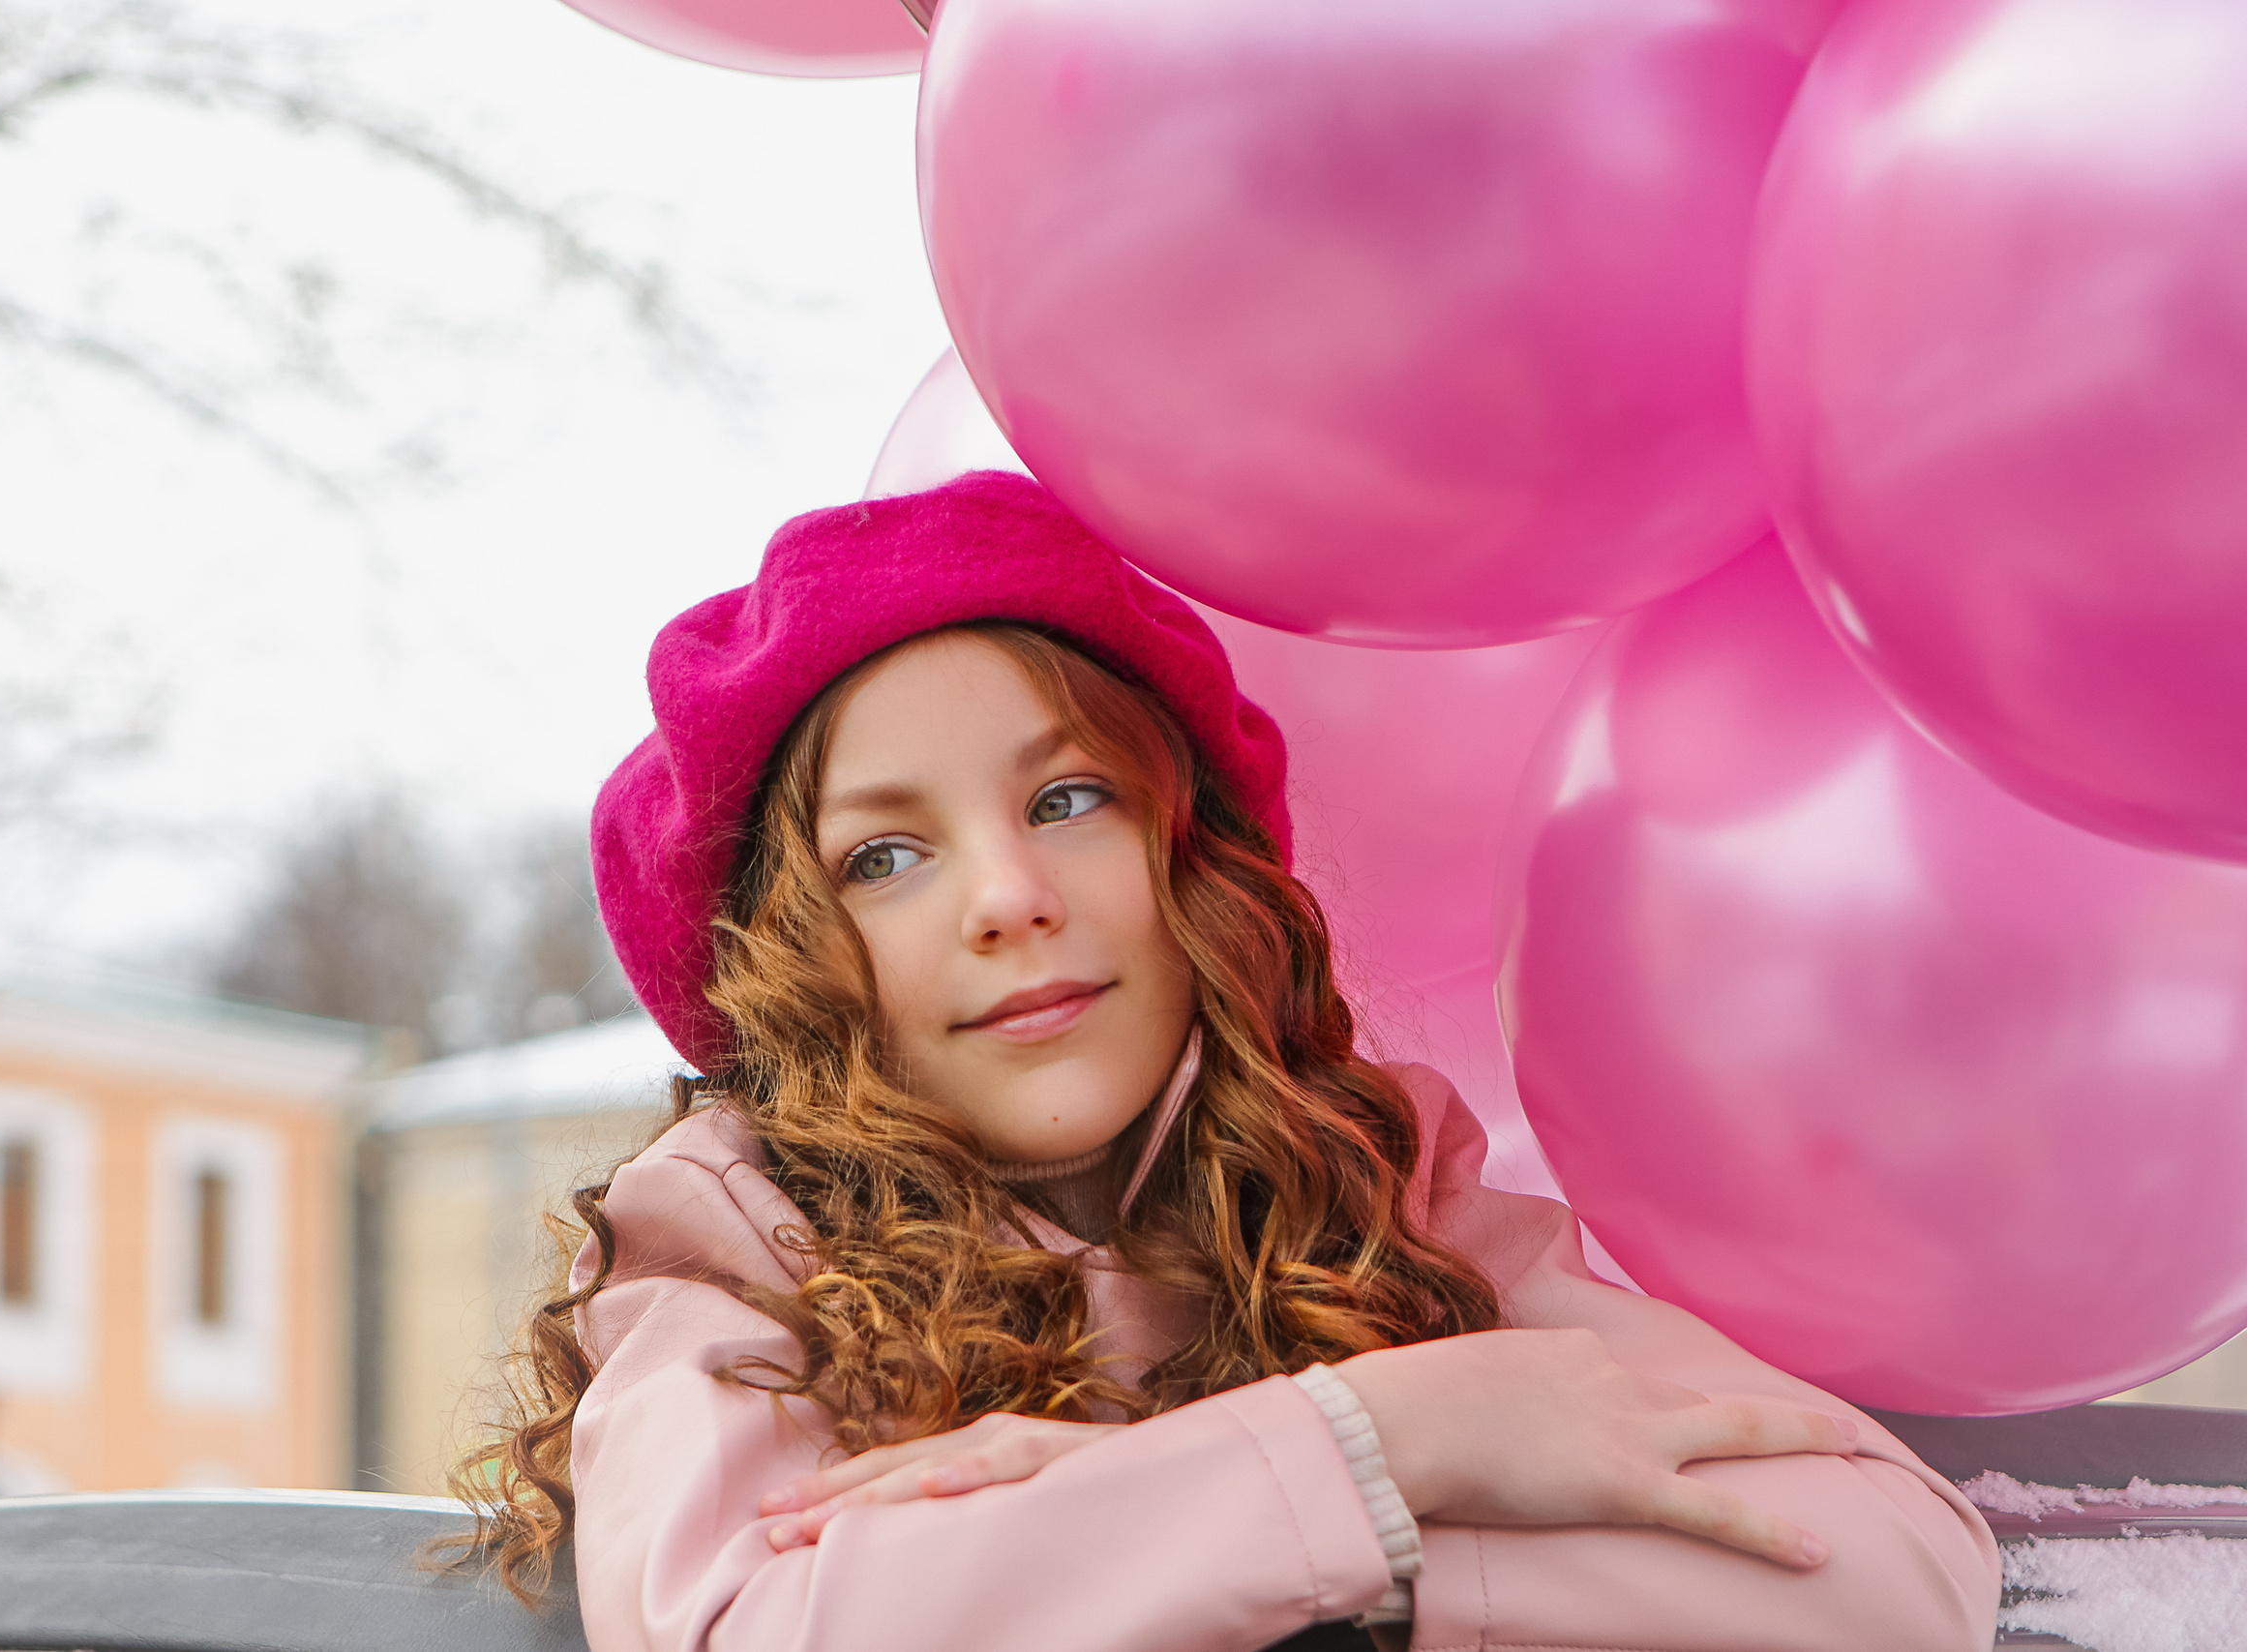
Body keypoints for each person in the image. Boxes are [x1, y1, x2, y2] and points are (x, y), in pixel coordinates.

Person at [452, 471, 2001, 1651]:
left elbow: (1899, 1570)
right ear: (788, 961)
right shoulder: (732, 1245)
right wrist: (1389, 1441)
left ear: (1192, 855)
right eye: (885, 857)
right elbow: (767, 1628)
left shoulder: (1375, 1193)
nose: (1010, 898)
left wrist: (1332, 1552)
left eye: (1068, 801)